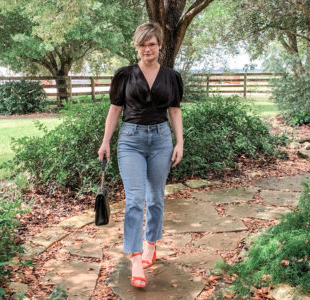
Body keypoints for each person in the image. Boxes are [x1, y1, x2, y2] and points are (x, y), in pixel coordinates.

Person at [98, 22, 184, 288]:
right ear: (137, 47)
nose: (148, 49)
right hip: (130, 141)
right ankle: (135, 257)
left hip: (161, 140)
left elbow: (175, 111)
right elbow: (114, 110)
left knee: (155, 198)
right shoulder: (124, 75)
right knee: (135, 200)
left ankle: (151, 245)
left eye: (152, 44)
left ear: (160, 46)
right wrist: (105, 142)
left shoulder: (171, 76)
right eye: (143, 45)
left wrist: (180, 142)